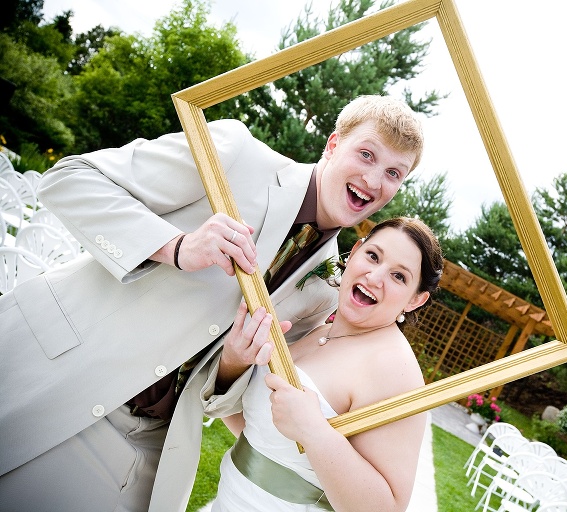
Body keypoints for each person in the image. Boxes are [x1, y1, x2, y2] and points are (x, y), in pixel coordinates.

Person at [0, 95, 424, 512]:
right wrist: (176, 246)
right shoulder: (236, 155)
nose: (374, 179)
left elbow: (224, 398)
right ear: (333, 145)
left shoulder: (326, 291)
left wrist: (233, 365)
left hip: (146, 447)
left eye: (393, 172)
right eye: (366, 155)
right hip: (51, 370)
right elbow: (70, 178)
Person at [201, 217, 444, 512]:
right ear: (354, 252)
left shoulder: (395, 369)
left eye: (399, 276)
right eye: (373, 256)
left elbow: (387, 507)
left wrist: (314, 431)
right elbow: (260, 435)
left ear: (416, 300)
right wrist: (234, 363)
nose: (375, 277)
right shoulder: (320, 331)